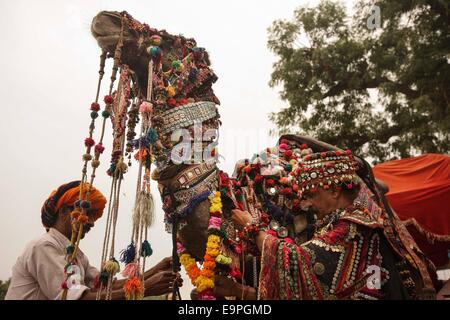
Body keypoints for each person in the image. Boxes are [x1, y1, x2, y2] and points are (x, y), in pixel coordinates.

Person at [231, 149, 436, 300]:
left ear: (334, 191)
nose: (307, 204)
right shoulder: (354, 222)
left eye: (311, 194)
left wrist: (253, 228)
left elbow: (300, 260)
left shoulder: (353, 227)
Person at [5, 180, 181, 300]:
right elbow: (75, 297)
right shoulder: (44, 246)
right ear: (64, 212)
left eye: (92, 215)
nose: (90, 222)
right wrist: (145, 288)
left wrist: (157, 269)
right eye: (86, 212)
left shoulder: (77, 256)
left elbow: (105, 287)